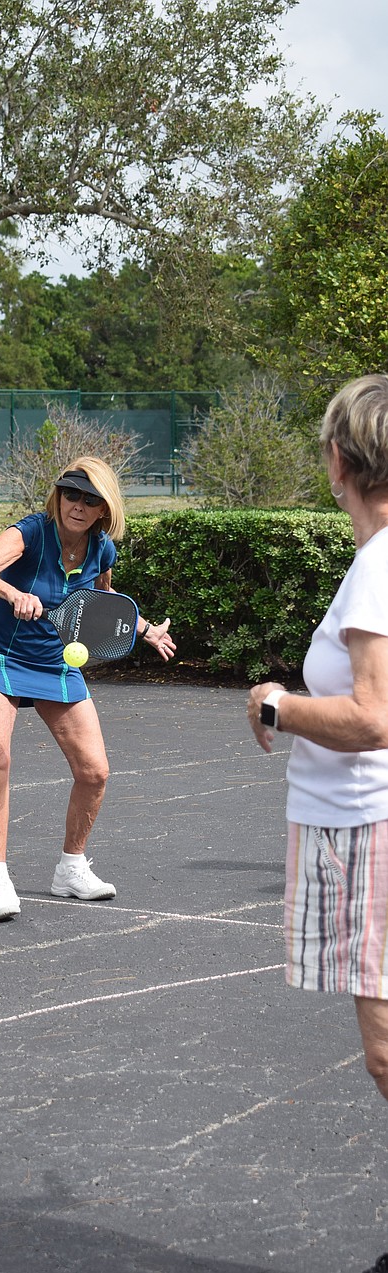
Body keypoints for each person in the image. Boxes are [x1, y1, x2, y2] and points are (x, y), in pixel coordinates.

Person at [247, 375, 388, 1273]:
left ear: (339, 460)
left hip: (368, 827)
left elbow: (373, 715)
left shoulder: (378, 566)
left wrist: (279, 705)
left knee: (387, 1051)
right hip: (364, 821)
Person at [0, 457, 176, 922]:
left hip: (56, 662)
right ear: (58, 497)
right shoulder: (32, 532)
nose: (77, 504)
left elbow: (99, 608)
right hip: (0, 656)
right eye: (70, 494)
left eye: (90, 498)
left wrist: (144, 629)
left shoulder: (102, 550)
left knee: (95, 771)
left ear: (104, 509)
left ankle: (71, 869)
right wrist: (11, 593)